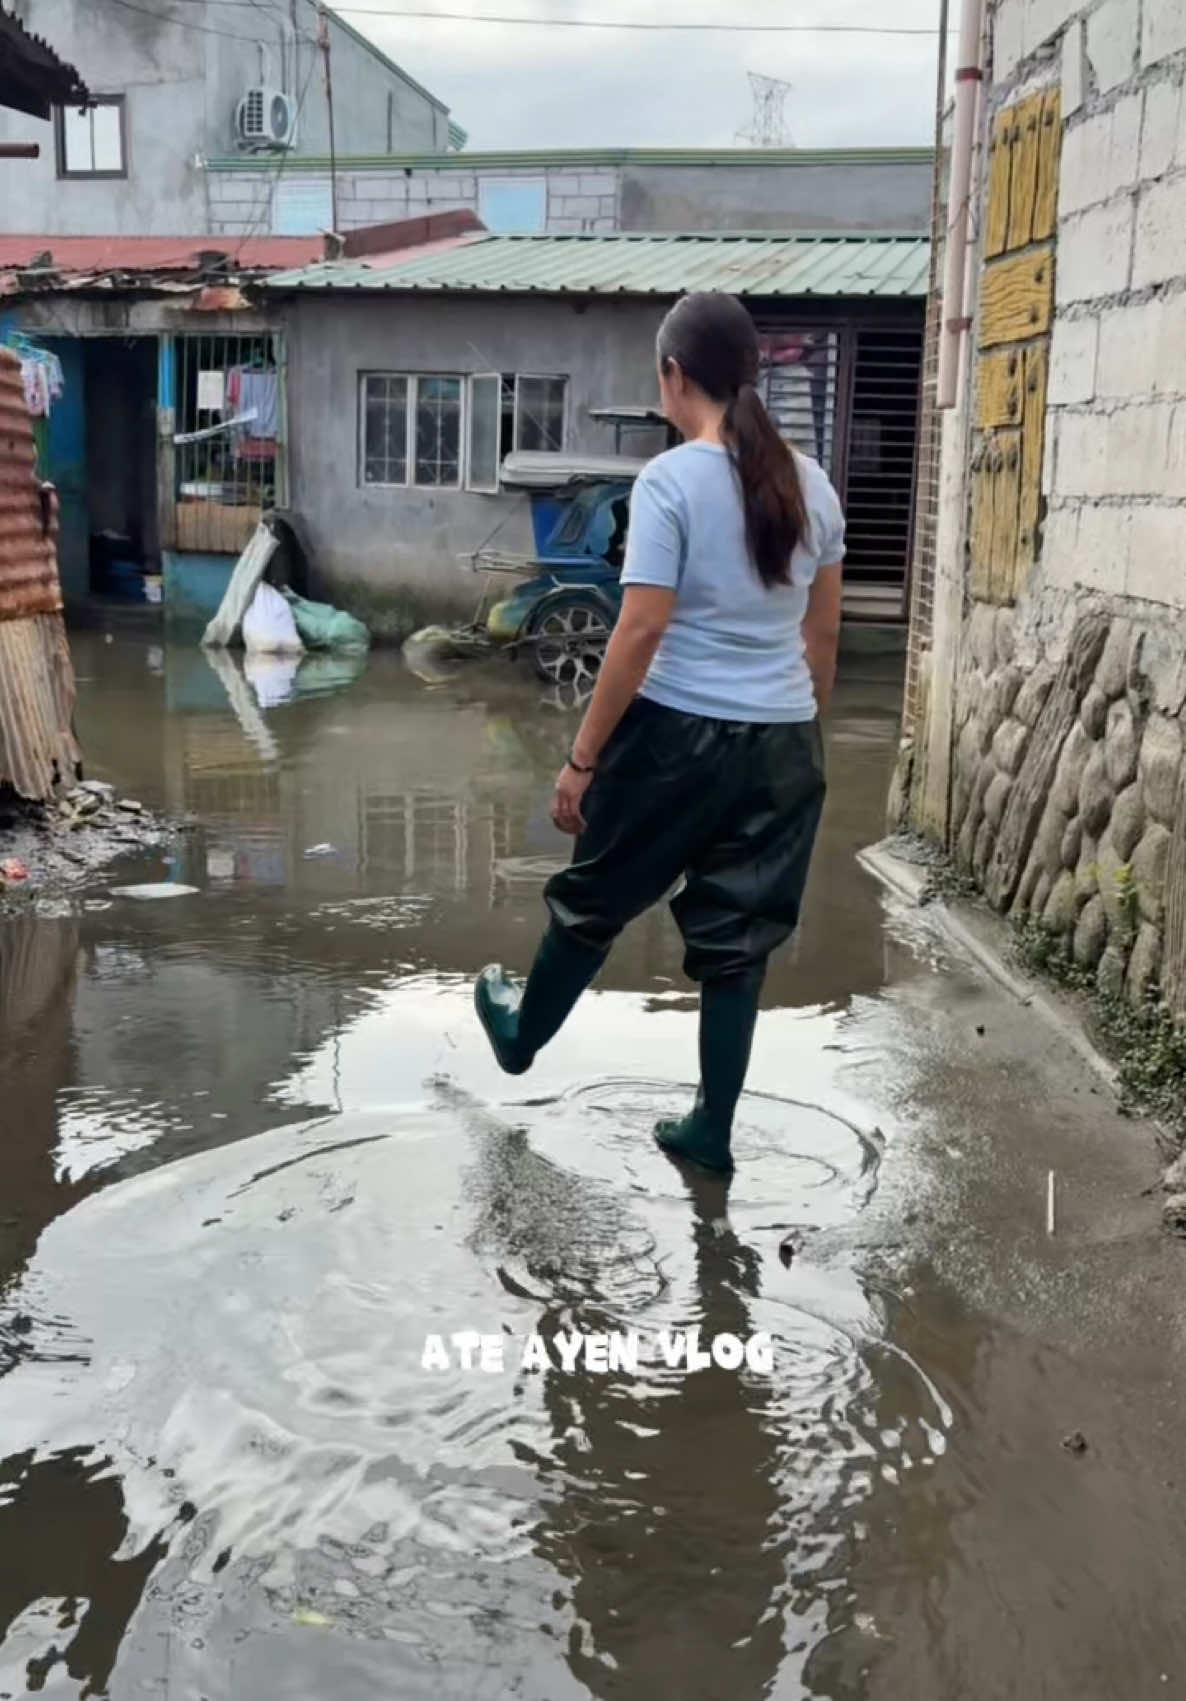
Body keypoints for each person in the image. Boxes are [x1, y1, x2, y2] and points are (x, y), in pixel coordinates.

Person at [475, 291, 845, 1174]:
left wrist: (580, 759)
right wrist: (794, 726)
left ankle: (522, 1034)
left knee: (595, 897)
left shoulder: (670, 481)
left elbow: (638, 632)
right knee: (738, 939)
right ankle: (710, 1130)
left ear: (674, 376)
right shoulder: (815, 484)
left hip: (677, 736)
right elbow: (821, 637)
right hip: (784, 741)